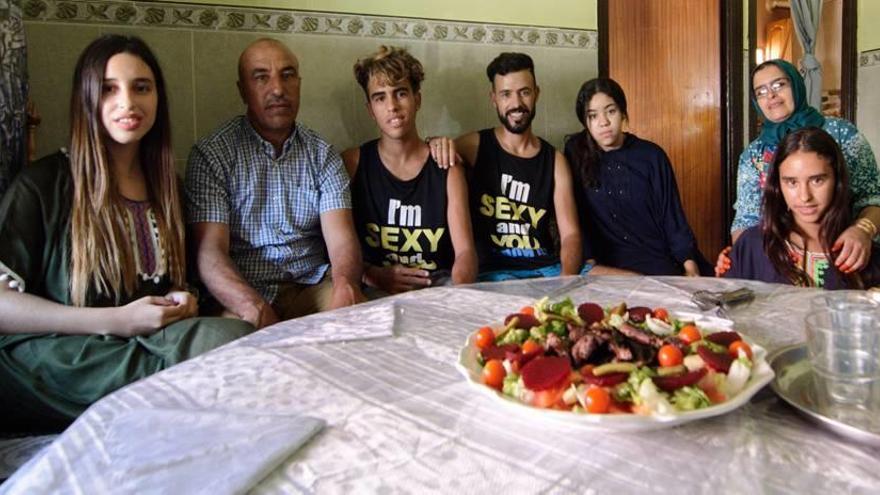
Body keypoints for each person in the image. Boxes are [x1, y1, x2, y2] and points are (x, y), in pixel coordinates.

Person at [0, 35, 255, 432]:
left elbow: (173, 287)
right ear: (86, 97)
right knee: (191, 366)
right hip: (62, 352)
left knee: (234, 337)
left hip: (146, 345)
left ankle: (166, 401)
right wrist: (115, 320)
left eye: (141, 88)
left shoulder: (167, 187)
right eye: (108, 89)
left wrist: (182, 302)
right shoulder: (42, 185)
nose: (128, 103)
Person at [186, 38, 366, 328]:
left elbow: (342, 239)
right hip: (242, 291)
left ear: (299, 83)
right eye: (261, 77)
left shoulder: (322, 154)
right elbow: (209, 253)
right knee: (234, 344)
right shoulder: (213, 155)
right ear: (242, 90)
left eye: (287, 75)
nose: (278, 89)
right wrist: (253, 305)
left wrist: (346, 285)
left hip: (311, 286)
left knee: (359, 322)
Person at [719, 59, 880, 276]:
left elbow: (872, 197)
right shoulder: (753, 155)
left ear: (796, 85)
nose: (771, 96)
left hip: (845, 254)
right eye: (761, 91)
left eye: (779, 85)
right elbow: (746, 220)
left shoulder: (841, 134)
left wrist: (863, 231)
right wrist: (745, 258)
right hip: (782, 261)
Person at [438, 52, 584, 281]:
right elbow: (430, 159)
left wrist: (567, 278)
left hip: (547, 269)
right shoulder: (472, 146)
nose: (516, 104)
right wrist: (434, 143)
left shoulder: (555, 161)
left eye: (524, 92)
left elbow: (571, 236)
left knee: (625, 282)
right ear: (494, 98)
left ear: (536, 93)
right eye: (506, 94)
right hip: (493, 273)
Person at [343, 46, 477, 294]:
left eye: (401, 93)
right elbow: (334, 248)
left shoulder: (446, 165)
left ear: (417, 99)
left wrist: (458, 295)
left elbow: (466, 252)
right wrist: (372, 275)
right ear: (370, 110)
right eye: (380, 97)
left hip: (439, 287)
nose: (392, 106)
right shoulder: (352, 163)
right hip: (375, 289)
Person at [564, 78, 710, 276]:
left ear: (623, 112)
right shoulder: (576, 154)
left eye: (611, 111)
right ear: (585, 121)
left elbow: (672, 217)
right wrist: (589, 264)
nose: (603, 122)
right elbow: (576, 217)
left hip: (657, 259)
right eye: (593, 115)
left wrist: (689, 263)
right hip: (608, 268)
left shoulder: (651, 156)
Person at [725, 127, 880, 288]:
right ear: (778, 185)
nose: (805, 196)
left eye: (817, 180)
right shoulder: (752, 245)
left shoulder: (865, 252)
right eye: (792, 182)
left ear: (837, 180)